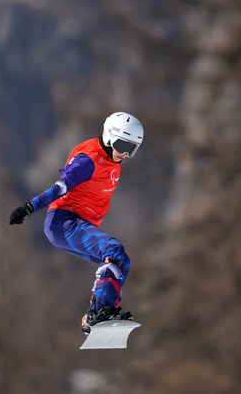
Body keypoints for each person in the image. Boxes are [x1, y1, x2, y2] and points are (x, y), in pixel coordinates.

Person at [9, 111, 143, 333]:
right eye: (122, 146)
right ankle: (99, 314)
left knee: (121, 263)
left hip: (77, 223)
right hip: (65, 221)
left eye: (132, 149)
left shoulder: (112, 157)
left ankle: (98, 315)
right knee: (113, 251)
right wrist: (29, 207)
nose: (125, 154)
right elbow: (60, 187)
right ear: (109, 137)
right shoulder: (88, 160)